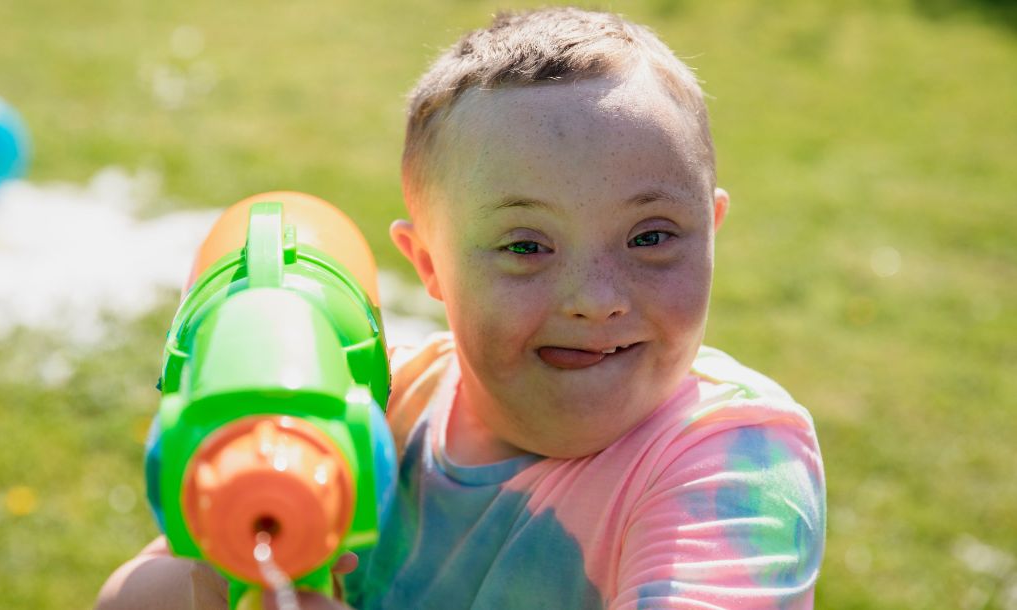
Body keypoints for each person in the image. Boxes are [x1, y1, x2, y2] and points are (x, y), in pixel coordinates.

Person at [97, 7, 825, 610]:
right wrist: (219, 566)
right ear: (429, 267)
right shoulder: (375, 403)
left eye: (652, 236)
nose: (597, 300)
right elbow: (131, 597)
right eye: (525, 246)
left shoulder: (729, 461)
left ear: (713, 230)